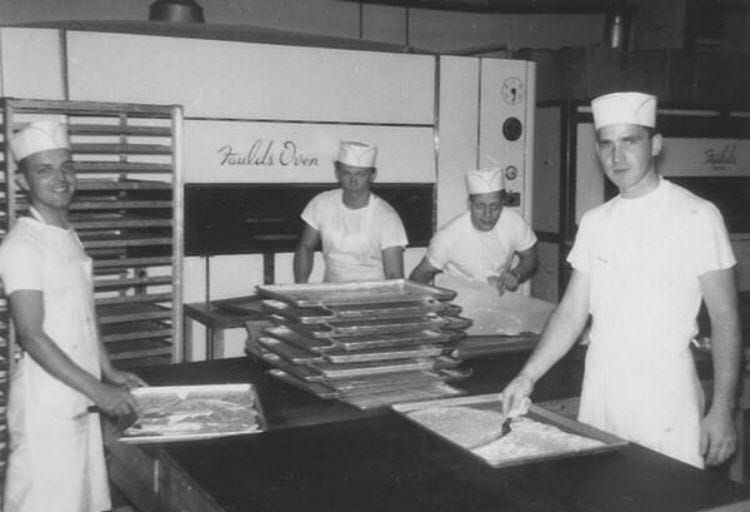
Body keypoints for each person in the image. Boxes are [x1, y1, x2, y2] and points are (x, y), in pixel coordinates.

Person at [501, 92, 740, 469]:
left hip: (664, 398)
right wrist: (527, 376)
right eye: (607, 145)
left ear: (656, 144)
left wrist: (722, 410)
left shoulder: (697, 215)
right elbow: (572, 312)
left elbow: (726, 318)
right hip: (601, 394)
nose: (617, 157)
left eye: (630, 141)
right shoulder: (596, 221)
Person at [0, 120, 145, 512]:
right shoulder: (22, 246)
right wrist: (98, 390)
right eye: (44, 169)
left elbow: (83, 313)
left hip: (78, 393)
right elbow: (31, 335)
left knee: (78, 500)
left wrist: (108, 370)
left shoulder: (66, 233)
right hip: (46, 403)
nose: (60, 178)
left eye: (67, 166)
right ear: (22, 181)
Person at [293, 140, 408, 283]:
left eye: (360, 174)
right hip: (331, 293)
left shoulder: (386, 217)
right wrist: (301, 287)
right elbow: (306, 246)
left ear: (372, 176)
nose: (353, 181)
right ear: (338, 174)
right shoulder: (321, 204)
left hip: (373, 298)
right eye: (347, 174)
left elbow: (394, 274)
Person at [409, 167, 537, 294]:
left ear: (502, 203)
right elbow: (421, 274)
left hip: (499, 300)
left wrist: (515, 275)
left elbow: (530, 258)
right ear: (469, 204)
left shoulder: (514, 222)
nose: (488, 214)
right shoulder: (448, 237)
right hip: (460, 303)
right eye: (480, 206)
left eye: (495, 206)